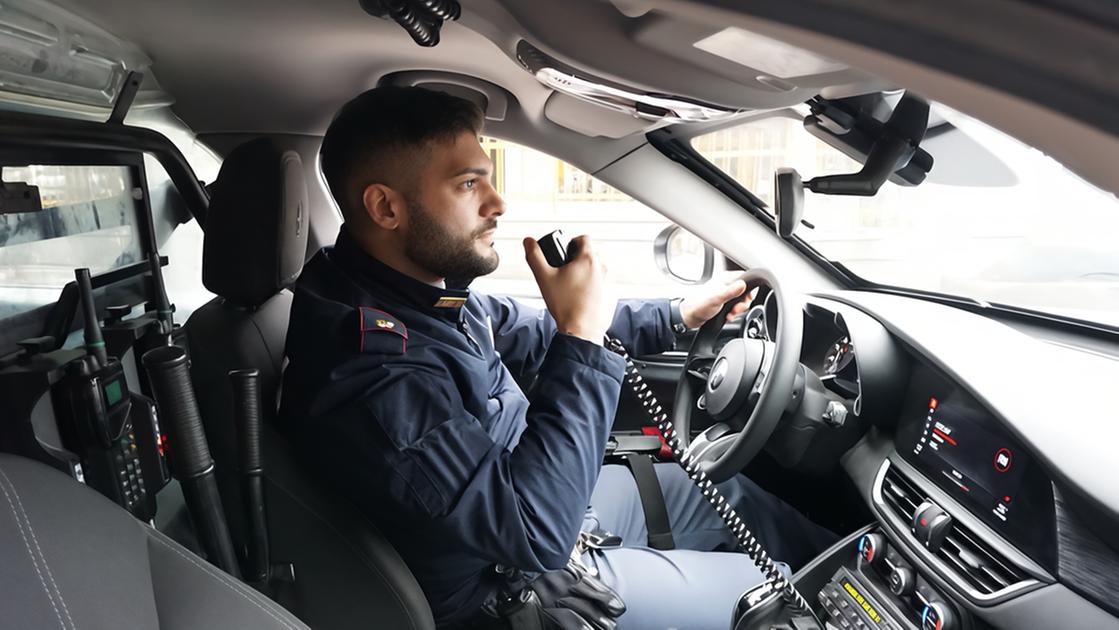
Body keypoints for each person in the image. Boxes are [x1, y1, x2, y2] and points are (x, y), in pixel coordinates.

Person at [279, 86, 837, 629]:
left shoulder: (411, 291)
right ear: (385, 207)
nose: (497, 204)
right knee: (788, 595)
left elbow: (532, 331)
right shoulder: (373, 373)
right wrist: (582, 334)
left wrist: (676, 315)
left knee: (731, 496)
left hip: (542, 502)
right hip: (513, 581)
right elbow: (535, 530)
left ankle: (847, 558)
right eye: (468, 184)